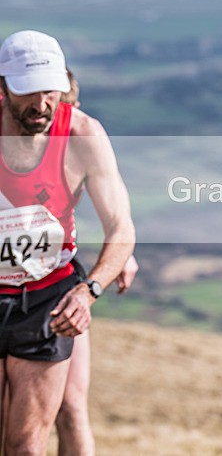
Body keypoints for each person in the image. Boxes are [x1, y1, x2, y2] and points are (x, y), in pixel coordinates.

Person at [0, 30, 135, 455]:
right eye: (27, 91)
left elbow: (121, 228)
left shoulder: (82, 135)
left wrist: (88, 290)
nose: (41, 104)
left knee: (27, 445)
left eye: (50, 91)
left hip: (46, 298)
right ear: (3, 87)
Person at [53, 68, 139, 456]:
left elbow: (112, 210)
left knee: (72, 406)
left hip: (59, 278)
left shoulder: (80, 138)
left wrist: (122, 252)